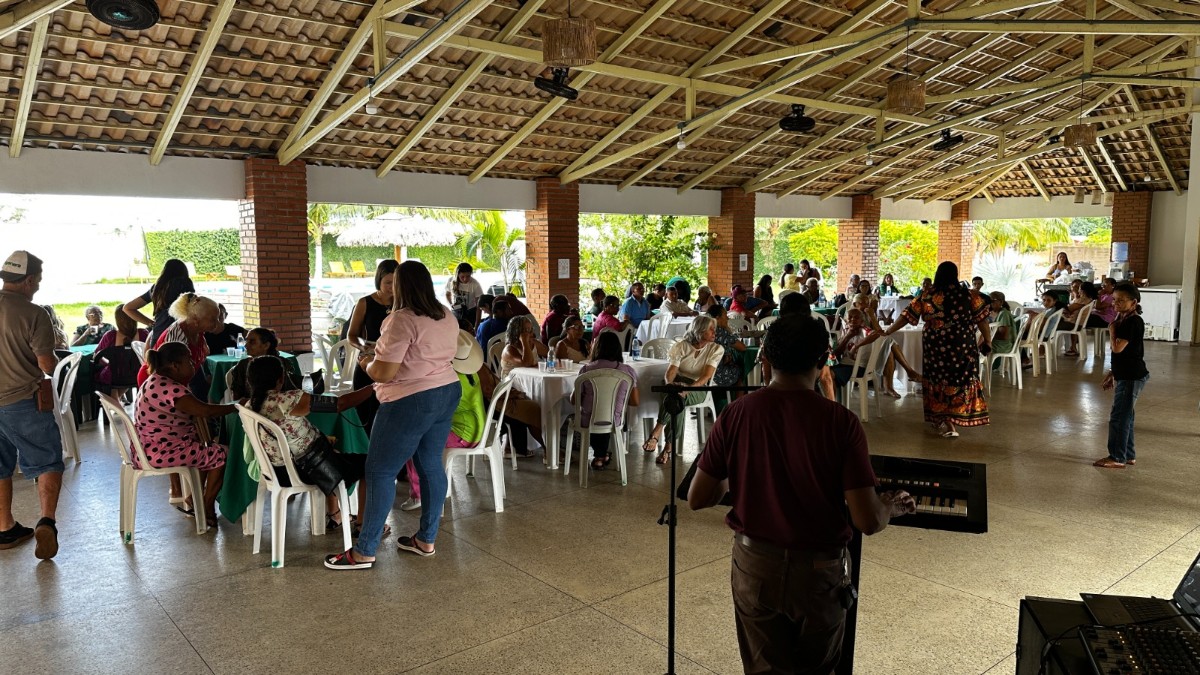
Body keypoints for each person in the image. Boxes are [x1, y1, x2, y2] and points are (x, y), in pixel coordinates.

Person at [686, 315, 915, 675]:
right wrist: (891, 505)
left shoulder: (736, 414)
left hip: (754, 566)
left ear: (765, 359)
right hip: (818, 573)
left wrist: (743, 471)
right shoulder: (841, 423)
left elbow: (699, 497)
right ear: (823, 360)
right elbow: (867, 520)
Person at [326, 261, 461, 570]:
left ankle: (364, 550)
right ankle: (426, 539)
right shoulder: (445, 315)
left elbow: (384, 373)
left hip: (409, 399)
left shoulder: (400, 319)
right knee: (430, 465)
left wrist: (365, 361)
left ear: (400, 286)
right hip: (445, 391)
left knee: (380, 472)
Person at [859, 261, 991, 438]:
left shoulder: (927, 295)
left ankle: (946, 421)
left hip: (936, 347)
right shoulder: (970, 296)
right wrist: (988, 341)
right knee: (959, 378)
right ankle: (954, 417)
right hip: (962, 347)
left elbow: (907, 316)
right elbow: (982, 320)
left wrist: (889, 331)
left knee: (938, 380)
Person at [246, 354, 376, 530]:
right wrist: (375, 386)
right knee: (371, 466)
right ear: (281, 378)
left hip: (278, 470)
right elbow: (340, 404)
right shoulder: (288, 400)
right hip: (305, 470)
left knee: (329, 447)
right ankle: (365, 526)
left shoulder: (250, 405)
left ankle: (334, 514)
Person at [0, 251, 64, 559]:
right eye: (37, 280)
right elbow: (46, 363)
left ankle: (5, 527)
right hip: (21, 401)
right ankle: (46, 521)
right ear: (27, 280)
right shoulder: (34, 313)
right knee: (47, 460)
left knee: (0, 465)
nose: (38, 285)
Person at [136, 342, 233, 525]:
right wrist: (234, 406)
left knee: (206, 448)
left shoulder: (156, 380)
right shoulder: (170, 388)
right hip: (162, 451)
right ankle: (206, 505)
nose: (193, 364)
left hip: (149, 446)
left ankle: (193, 498)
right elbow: (205, 411)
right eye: (189, 360)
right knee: (222, 454)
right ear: (175, 365)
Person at [404, 331, 490, 512]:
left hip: (464, 436)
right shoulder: (470, 373)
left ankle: (419, 495)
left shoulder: (450, 378)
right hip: (479, 429)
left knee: (414, 442)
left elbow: (433, 410)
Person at [642, 315, 723, 465]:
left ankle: (657, 431)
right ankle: (668, 446)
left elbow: (705, 377)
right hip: (678, 383)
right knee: (676, 396)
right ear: (700, 330)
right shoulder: (682, 346)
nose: (714, 332)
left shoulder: (716, 349)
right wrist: (669, 384)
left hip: (699, 388)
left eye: (714, 329)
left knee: (678, 397)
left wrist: (688, 389)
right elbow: (671, 371)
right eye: (710, 329)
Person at [1095, 283, 1148, 469]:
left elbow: (1117, 348)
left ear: (1133, 302)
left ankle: (1117, 457)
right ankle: (1128, 455)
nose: (1116, 303)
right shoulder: (1124, 319)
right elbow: (1125, 355)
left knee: (1119, 417)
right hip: (1125, 374)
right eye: (1115, 300)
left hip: (1131, 377)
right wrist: (1112, 373)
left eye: (1121, 300)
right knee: (1126, 416)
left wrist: (1111, 328)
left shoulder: (1132, 322)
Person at [573, 331, 639, 470]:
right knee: (609, 414)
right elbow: (635, 401)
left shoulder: (585, 370)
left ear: (596, 348)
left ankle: (600, 456)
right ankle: (601, 456)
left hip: (588, 420)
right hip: (615, 420)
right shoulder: (628, 371)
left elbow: (574, 400)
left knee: (591, 414)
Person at [136, 293, 223, 398]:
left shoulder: (196, 329)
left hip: (177, 380)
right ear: (196, 320)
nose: (217, 323)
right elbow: (172, 377)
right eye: (213, 319)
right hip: (157, 385)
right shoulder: (177, 337)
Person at [346, 260, 399, 433]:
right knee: (365, 415)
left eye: (395, 283)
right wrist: (365, 347)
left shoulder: (402, 304)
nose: (391, 287)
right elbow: (352, 335)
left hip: (392, 364)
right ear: (379, 280)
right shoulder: (365, 303)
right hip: (368, 362)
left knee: (389, 415)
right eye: (387, 283)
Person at [498, 314, 546, 459]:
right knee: (535, 407)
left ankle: (549, 444)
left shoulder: (533, 344)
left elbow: (550, 354)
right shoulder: (509, 349)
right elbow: (527, 362)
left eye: (530, 330)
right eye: (525, 330)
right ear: (517, 332)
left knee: (545, 402)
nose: (530, 333)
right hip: (511, 390)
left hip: (528, 385)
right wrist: (524, 341)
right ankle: (547, 448)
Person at [123, 258, 195, 347]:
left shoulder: (157, 288)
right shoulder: (184, 283)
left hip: (158, 336)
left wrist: (151, 323)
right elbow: (193, 305)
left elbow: (128, 308)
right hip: (179, 337)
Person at [93, 302, 150, 398]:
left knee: (102, 373)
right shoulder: (143, 334)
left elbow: (97, 356)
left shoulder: (110, 336)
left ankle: (111, 403)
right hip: (138, 373)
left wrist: (109, 362)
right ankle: (115, 403)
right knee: (125, 372)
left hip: (115, 375)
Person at [227, 328, 299, 401]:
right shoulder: (243, 365)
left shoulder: (283, 363)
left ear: (266, 345)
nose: (246, 345)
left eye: (252, 342)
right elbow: (236, 398)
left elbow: (291, 393)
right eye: (246, 341)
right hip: (250, 409)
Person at [1060, 281, 1108, 357]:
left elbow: (1068, 309)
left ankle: (1046, 348)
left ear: (1082, 290)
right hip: (1076, 322)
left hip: (1074, 323)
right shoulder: (1088, 299)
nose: (1077, 289)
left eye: (1078, 288)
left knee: (1052, 323)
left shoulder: (1083, 300)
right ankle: (1072, 347)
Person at [705, 305, 746, 389]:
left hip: (702, 372)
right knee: (743, 371)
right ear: (717, 318)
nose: (727, 319)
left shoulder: (703, 329)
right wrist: (727, 329)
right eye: (725, 316)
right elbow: (742, 347)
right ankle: (738, 401)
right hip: (717, 374)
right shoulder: (721, 332)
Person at [830, 308, 868, 387]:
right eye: (850, 317)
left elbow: (877, 334)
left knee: (829, 375)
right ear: (846, 321)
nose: (853, 319)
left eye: (856, 317)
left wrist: (856, 347)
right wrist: (847, 336)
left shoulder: (865, 331)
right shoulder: (845, 332)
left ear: (862, 321)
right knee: (823, 372)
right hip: (844, 364)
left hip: (858, 367)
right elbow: (835, 354)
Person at [444, 262, 483, 328]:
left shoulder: (475, 284)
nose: (465, 279)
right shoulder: (451, 281)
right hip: (457, 311)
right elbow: (447, 294)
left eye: (468, 276)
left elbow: (479, 306)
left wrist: (477, 324)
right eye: (462, 277)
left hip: (470, 313)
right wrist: (450, 304)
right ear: (457, 275)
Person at [988, 291, 1017, 360]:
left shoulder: (1003, 314)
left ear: (1000, 302)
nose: (989, 303)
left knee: (980, 346)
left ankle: (983, 368)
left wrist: (988, 335)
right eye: (988, 301)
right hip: (997, 342)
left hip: (1003, 345)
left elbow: (1004, 336)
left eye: (992, 301)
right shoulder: (991, 313)